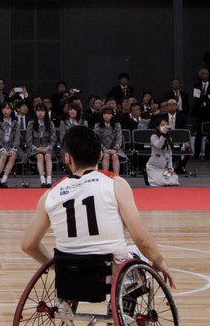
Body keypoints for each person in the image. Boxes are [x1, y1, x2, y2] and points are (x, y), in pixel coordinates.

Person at [20, 127, 175, 314]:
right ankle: (121, 325)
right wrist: (159, 261)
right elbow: (141, 239)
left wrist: (55, 266)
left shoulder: (50, 195)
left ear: (67, 158)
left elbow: (28, 245)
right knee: (138, 256)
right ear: (101, 155)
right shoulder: (115, 184)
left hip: (70, 277)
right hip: (110, 275)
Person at [0, 101, 20, 188]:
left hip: (11, 146)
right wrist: (2, 149)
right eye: (3, 108)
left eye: (8, 108)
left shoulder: (16, 123)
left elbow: (17, 139)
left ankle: (3, 180)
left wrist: (13, 149)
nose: (5, 111)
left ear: (11, 110)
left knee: (13, 156)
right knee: (3, 156)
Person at [27, 105, 58, 188]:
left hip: (48, 148)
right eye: (38, 111)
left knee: (47, 156)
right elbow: (28, 140)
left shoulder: (50, 123)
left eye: (42, 111)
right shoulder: (31, 123)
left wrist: (48, 148)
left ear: (46, 113)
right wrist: (36, 148)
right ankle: (42, 180)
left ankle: (48, 180)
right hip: (35, 149)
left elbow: (53, 139)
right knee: (40, 156)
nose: (40, 113)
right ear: (35, 112)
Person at [146, 117, 179, 187]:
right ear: (158, 127)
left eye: (166, 125)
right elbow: (159, 145)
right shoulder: (153, 137)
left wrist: (170, 168)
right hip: (153, 167)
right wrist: (163, 135)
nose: (164, 127)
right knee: (159, 182)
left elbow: (170, 155)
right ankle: (147, 176)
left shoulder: (169, 139)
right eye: (162, 125)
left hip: (163, 169)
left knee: (174, 180)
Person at [93, 106, 125, 175]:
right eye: (105, 114)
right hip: (102, 149)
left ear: (112, 115)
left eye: (109, 114)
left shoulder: (117, 125)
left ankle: (116, 176)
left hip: (115, 149)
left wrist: (115, 149)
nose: (107, 116)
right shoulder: (97, 126)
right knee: (106, 156)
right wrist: (104, 150)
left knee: (115, 156)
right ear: (102, 115)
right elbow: (97, 140)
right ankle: (105, 175)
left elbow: (119, 139)